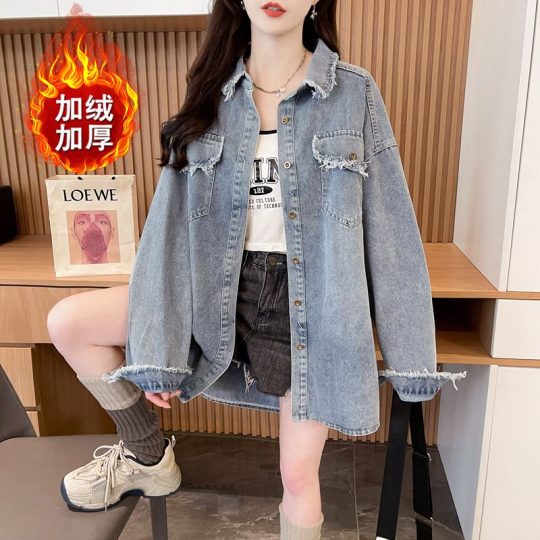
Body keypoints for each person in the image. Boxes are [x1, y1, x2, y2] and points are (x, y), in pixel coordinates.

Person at [47, 1, 467, 538]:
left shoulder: (353, 93)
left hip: (306, 304)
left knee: (298, 474)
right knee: (69, 323)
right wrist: (158, 349)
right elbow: (168, 225)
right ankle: (146, 456)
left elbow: (390, 226)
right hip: (213, 290)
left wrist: (412, 360)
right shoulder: (209, 94)